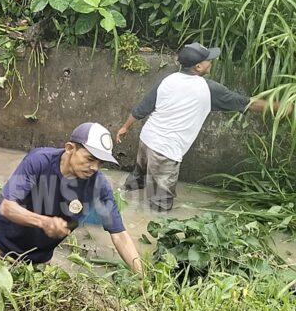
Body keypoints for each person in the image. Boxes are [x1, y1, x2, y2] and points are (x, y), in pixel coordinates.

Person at [116, 42, 291, 211]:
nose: (212, 62)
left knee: (137, 181)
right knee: (160, 206)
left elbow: (143, 107)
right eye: (209, 60)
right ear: (198, 67)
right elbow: (247, 103)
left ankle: (118, 201)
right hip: (165, 151)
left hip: (147, 140)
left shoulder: (169, 79)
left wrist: (125, 127)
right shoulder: (208, 89)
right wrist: (286, 107)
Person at [0, 122, 143, 274]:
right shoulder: (39, 161)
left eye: (101, 163)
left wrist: (142, 279)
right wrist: (44, 222)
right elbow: (7, 207)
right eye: (90, 159)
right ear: (70, 148)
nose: (94, 168)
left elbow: (119, 235)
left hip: (38, 257)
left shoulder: (99, 187)